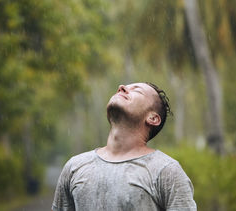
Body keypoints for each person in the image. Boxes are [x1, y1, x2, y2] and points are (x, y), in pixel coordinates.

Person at [52, 82, 196, 211]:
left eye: (137, 90)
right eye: (124, 88)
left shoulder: (167, 171)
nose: (121, 87)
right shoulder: (74, 166)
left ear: (152, 118)